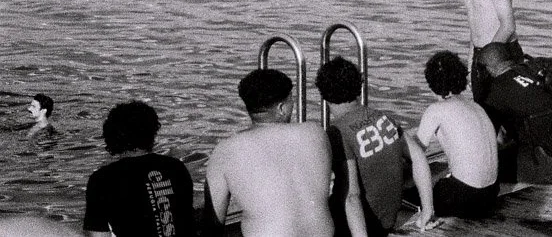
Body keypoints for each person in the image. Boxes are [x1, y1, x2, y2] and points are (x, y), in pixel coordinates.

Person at [205, 68, 341, 237]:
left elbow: (212, 224)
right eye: (291, 101)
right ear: (282, 108)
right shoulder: (315, 132)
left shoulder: (225, 150)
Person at [317, 56, 437, 236]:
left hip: (361, 227)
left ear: (324, 95)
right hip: (387, 222)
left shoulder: (337, 132)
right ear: (358, 86)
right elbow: (418, 156)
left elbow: (351, 196)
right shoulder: (383, 118)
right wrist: (427, 209)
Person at [83, 100, 195, 237]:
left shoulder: (103, 179)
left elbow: (98, 236)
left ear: (112, 135)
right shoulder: (176, 167)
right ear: (152, 132)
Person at [416, 51, 499, 220]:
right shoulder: (476, 107)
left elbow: (415, 153)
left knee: (421, 187)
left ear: (431, 82)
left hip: (464, 197)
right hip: (491, 193)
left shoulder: (436, 110)